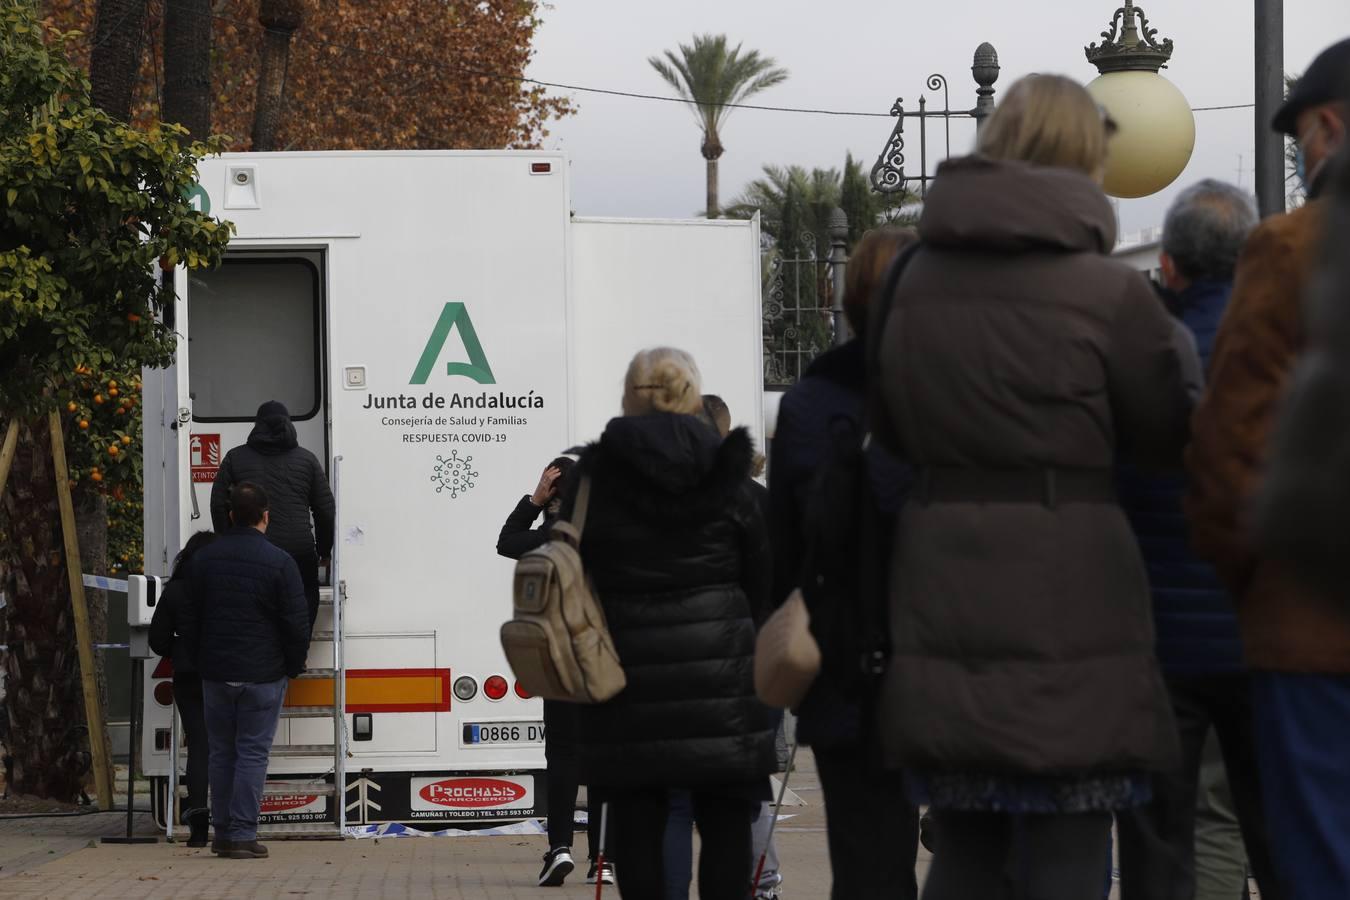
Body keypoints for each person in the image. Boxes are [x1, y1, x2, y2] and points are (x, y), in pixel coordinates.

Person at [872, 74, 1199, 899]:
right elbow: (1169, 435)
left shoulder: (912, 281)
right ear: (1087, 155)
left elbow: (894, 427)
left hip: (940, 576)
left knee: (965, 839)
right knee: (1068, 837)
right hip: (1073, 586)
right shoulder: (1112, 293)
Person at [1187, 39, 1350, 898]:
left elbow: (1229, 447)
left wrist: (1254, 579)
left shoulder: (1289, 247)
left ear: (1326, 127)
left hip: (1314, 631)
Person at [1115, 181, 1284, 899]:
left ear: (1171, 269)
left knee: (1159, 841)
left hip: (1161, 647)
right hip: (1268, 639)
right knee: (1282, 833)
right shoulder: (1289, 358)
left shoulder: (1141, 361)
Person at [561, 347, 775, 900]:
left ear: (628, 398)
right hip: (724, 682)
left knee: (640, 825)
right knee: (728, 824)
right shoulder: (732, 475)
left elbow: (573, 578)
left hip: (625, 684)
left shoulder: (593, 480)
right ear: (692, 397)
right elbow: (764, 585)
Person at [768, 226, 920, 900]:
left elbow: (784, 548)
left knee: (863, 859)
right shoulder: (963, 388)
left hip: (843, 663)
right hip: (952, 653)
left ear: (845, 299)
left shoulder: (809, 403)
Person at [495, 454, 612, 887]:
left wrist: (533, 498)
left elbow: (506, 541)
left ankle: (559, 848)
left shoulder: (547, 536)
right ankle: (602, 859)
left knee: (561, 756)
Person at [182, 481, 310, 860]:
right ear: (266, 517)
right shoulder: (280, 561)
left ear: (232, 515)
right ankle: (242, 834)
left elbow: (189, 618)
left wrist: (200, 660)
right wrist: (293, 664)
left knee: (221, 753)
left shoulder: (203, 560)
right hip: (263, 674)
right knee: (252, 753)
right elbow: (295, 622)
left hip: (216, 673)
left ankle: (222, 834)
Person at [210, 401, 335, 626]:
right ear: (289, 425)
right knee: (301, 607)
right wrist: (324, 550)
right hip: (299, 551)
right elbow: (325, 510)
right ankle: (298, 656)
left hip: (248, 552)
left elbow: (219, 504)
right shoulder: (307, 460)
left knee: (255, 612)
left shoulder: (235, 458)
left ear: (257, 425)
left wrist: (226, 541)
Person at [147, 530, 219, 848]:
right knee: (232, 747)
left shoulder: (175, 590)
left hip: (189, 677)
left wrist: (180, 648)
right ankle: (237, 821)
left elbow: (157, 640)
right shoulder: (223, 586)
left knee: (199, 747)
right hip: (224, 672)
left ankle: (199, 827)